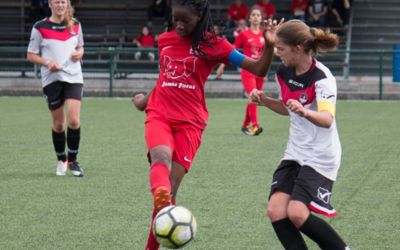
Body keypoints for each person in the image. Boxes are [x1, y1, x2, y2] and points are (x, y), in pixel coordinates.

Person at [131, 1, 280, 249]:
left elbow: (258, 69)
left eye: (185, 20)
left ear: (200, 16)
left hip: (190, 122)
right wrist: (143, 102)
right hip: (160, 112)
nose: (178, 25)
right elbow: (164, 77)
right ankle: (160, 200)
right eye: (175, 18)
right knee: (161, 160)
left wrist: (270, 46)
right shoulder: (165, 39)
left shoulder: (214, 45)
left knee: (171, 191)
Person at [249, 19, 350, 249]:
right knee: (276, 210)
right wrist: (264, 101)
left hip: (321, 155)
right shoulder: (283, 72)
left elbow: (327, 120)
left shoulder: (322, 78)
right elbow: (287, 108)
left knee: (296, 213)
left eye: (281, 49)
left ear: (297, 49)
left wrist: (304, 111)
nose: (277, 53)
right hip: (295, 151)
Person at [27, 0, 84, 177]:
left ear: (67, 4)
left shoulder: (75, 24)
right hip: (51, 79)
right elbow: (31, 55)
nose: (60, 5)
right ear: (50, 4)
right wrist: (47, 62)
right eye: (57, 2)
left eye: (63, 2)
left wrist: (79, 53)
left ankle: (73, 161)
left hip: (73, 77)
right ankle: (61, 159)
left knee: (74, 121)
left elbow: (80, 46)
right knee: (59, 124)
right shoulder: (40, 27)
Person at [216, 6, 266, 136]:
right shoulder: (244, 34)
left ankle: (245, 125)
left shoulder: (264, 34)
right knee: (254, 96)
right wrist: (222, 67)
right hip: (248, 70)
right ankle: (255, 126)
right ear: (249, 18)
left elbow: (269, 52)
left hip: (260, 72)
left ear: (261, 18)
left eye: (258, 15)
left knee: (255, 98)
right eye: (253, 15)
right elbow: (232, 50)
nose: (255, 17)